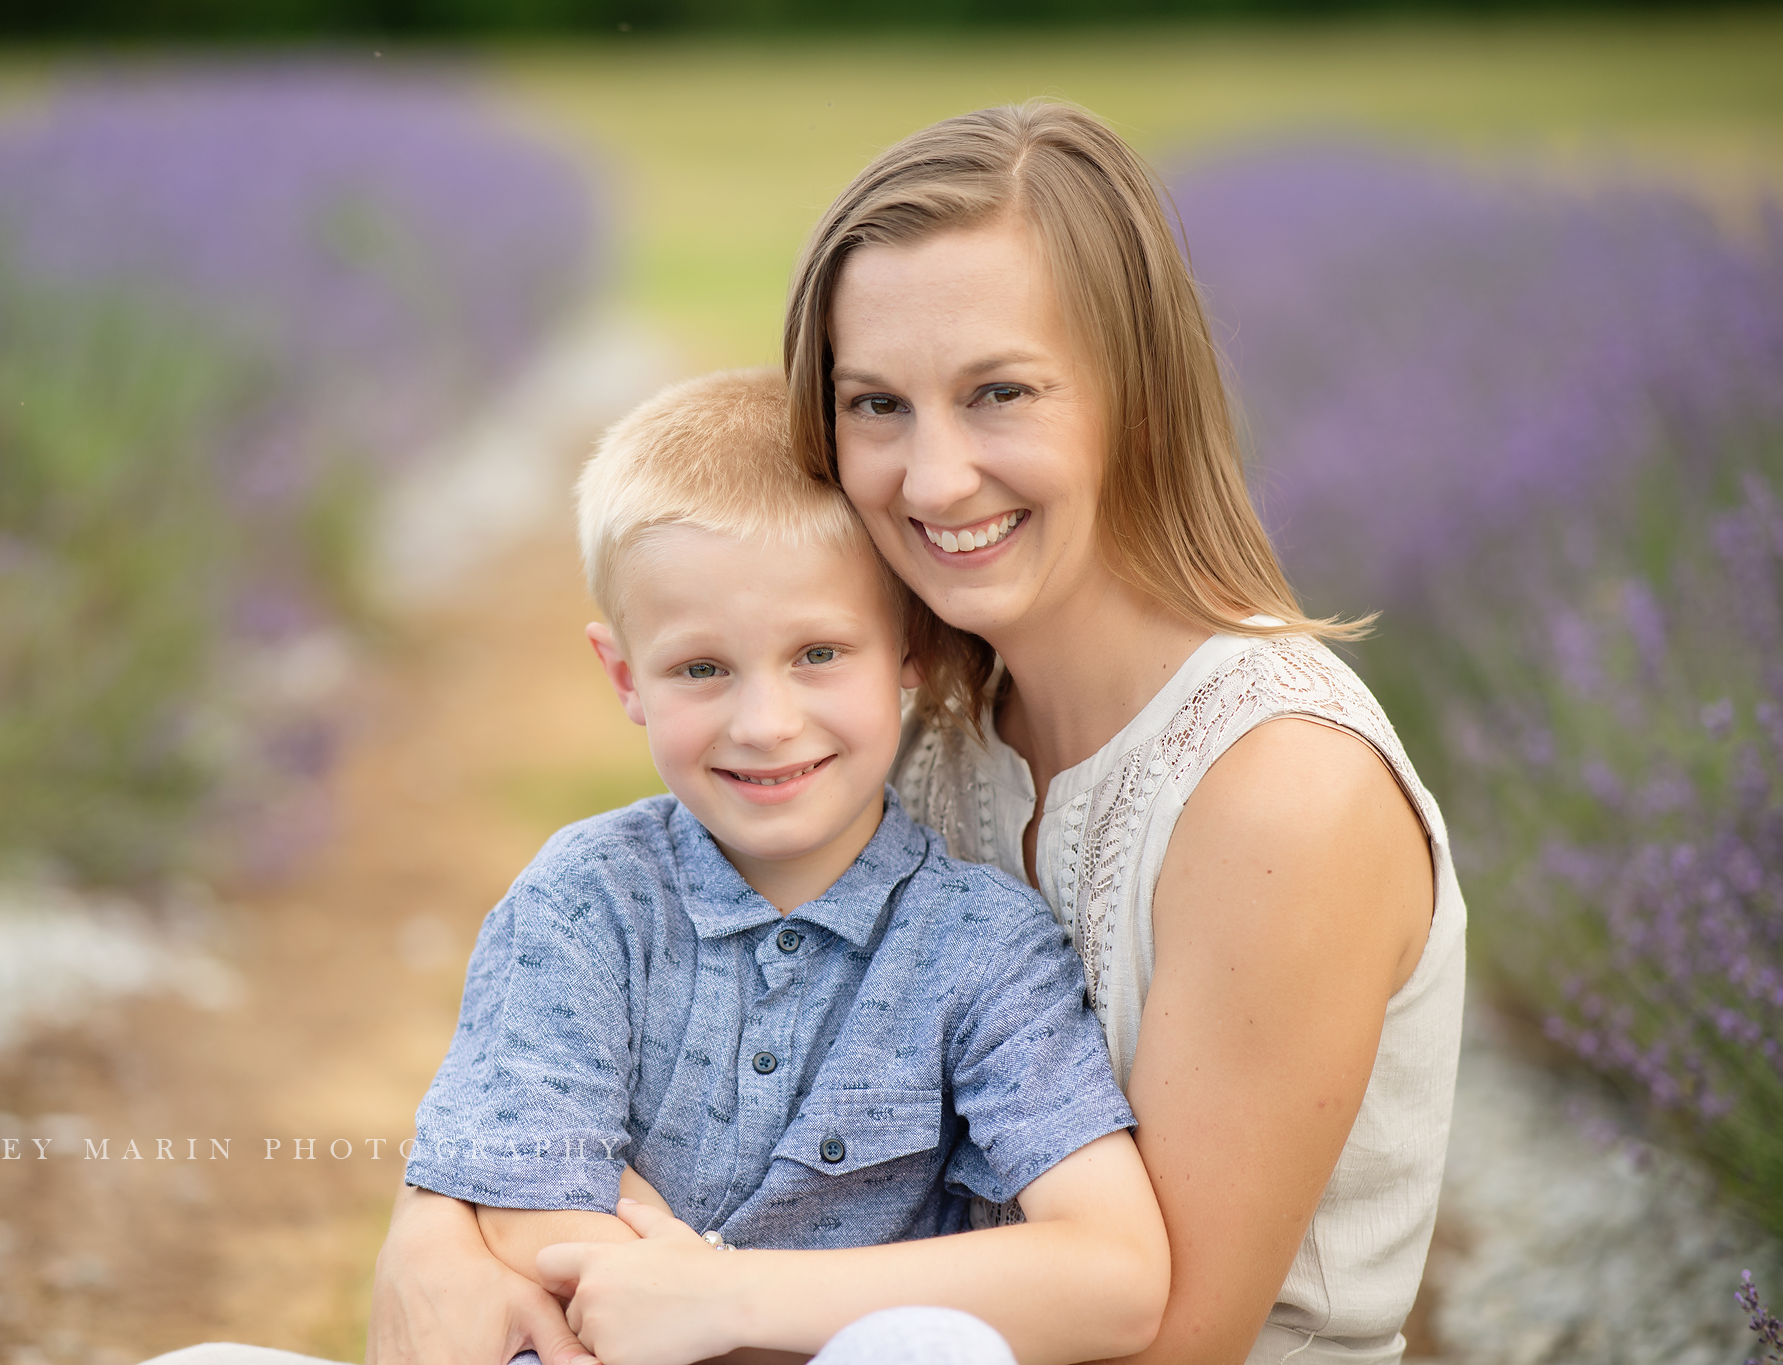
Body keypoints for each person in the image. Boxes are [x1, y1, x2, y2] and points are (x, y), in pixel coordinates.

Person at [369, 101, 1465, 1365]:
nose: (932, 479)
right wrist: (439, 1229)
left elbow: (1168, 1334)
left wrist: (712, 1295)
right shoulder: (928, 720)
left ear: (1138, 397)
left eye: (998, 393)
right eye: (876, 405)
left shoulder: (1281, 790)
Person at [404, 366, 1168, 1365]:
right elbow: (524, 1193)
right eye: (701, 668)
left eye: (817, 654)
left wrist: (716, 1299)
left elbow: (1116, 1277)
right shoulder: (586, 901)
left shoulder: (981, 946)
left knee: (932, 1347)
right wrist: (641, 1285)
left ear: (912, 651)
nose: (764, 724)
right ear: (625, 676)